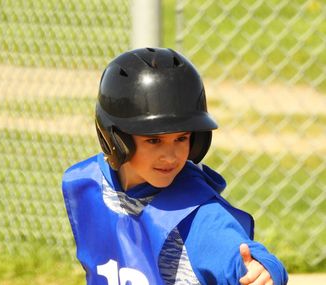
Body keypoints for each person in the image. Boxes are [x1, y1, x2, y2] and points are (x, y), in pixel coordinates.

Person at [62, 47, 288, 285]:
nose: (170, 156)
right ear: (116, 138)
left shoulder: (196, 213)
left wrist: (265, 269)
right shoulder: (89, 184)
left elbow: (239, 256)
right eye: (153, 140)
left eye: (181, 138)